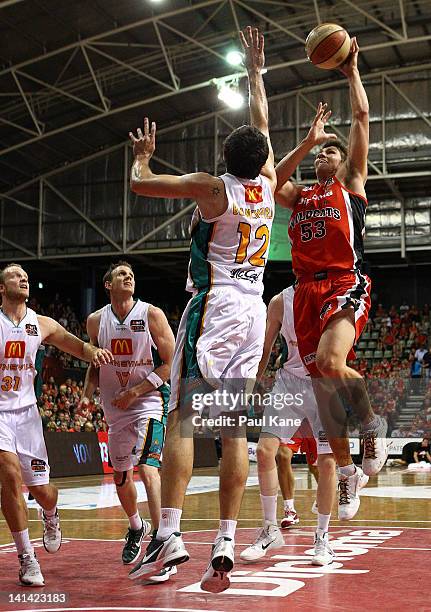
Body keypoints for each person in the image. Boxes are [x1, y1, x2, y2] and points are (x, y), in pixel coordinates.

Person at [127, 26, 276, 593]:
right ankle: (227, 539)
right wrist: (257, 74)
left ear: (223, 158)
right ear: (261, 159)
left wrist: (141, 159)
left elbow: (143, 186)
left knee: (186, 415)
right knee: (233, 429)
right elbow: (262, 127)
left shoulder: (216, 189)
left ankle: (170, 533)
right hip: (253, 307)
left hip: (214, 305)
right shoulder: (265, 183)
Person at [274, 37, 386, 515]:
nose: (326, 158)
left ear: (343, 164)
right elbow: (272, 182)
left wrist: (350, 72)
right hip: (304, 291)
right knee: (322, 384)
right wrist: (307, 141)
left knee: (329, 361)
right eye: (323, 155)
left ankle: (372, 424)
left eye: (330, 154)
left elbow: (361, 119)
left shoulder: (352, 184)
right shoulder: (299, 196)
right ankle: (346, 474)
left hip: (344, 281)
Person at [0, 263, 112, 587]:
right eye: (14, 275)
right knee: (8, 476)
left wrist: (93, 351)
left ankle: (50, 513)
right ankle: (26, 557)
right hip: (1, 415)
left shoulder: (41, 323)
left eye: (25, 276)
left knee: (43, 492)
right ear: (2, 288)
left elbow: (74, 344)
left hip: (28, 416)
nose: (23, 279)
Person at [80, 261, 176, 583]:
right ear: (108, 285)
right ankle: (137, 527)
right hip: (114, 409)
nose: (128, 277)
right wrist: (85, 394)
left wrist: (136, 391)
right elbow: (94, 364)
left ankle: (165, 543)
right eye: (121, 274)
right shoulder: (96, 321)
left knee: (149, 469)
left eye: (131, 274)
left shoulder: (151, 314)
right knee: (122, 477)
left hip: (148, 402)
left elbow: (170, 363)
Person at [240, 286, 348, 567]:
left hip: (323, 385)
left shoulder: (333, 296)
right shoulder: (279, 301)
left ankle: (322, 538)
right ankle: (269, 528)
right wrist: (251, 386)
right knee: (265, 451)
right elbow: (264, 349)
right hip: (288, 383)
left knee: (326, 463)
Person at [276, 421, 319, 528]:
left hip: (316, 420)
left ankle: (322, 497)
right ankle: (290, 510)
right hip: (294, 420)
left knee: (316, 467)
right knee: (282, 455)